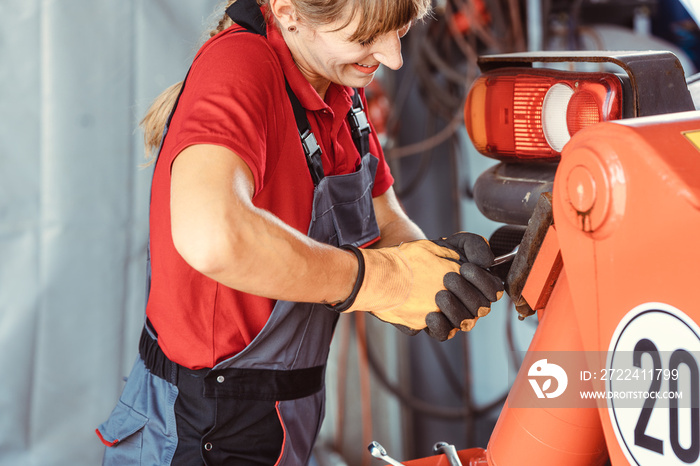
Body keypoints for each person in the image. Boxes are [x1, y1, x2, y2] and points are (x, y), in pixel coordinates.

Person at [96, 0, 504, 464]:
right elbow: (211, 237)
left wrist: (433, 273)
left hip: (289, 415)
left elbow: (383, 218)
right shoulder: (239, 68)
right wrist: (383, 282)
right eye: (368, 37)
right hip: (201, 426)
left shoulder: (341, 85)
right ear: (288, 11)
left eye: (401, 29)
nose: (393, 57)